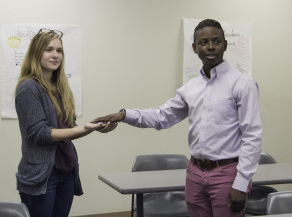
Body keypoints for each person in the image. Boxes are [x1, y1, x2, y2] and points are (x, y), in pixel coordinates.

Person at [93, 19, 262, 217]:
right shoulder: (190, 88)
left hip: (227, 174)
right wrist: (124, 115)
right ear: (194, 48)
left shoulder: (243, 84)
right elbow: (162, 117)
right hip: (195, 173)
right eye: (203, 42)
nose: (210, 47)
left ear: (225, 45)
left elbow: (252, 136)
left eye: (216, 41)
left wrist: (241, 183)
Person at [15, 28, 116, 217]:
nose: (55, 55)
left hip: (66, 171)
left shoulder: (61, 87)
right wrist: (85, 129)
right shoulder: (28, 87)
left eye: (59, 50)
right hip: (41, 176)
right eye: (49, 50)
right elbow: (40, 134)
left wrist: (94, 127)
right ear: (36, 53)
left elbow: (68, 128)